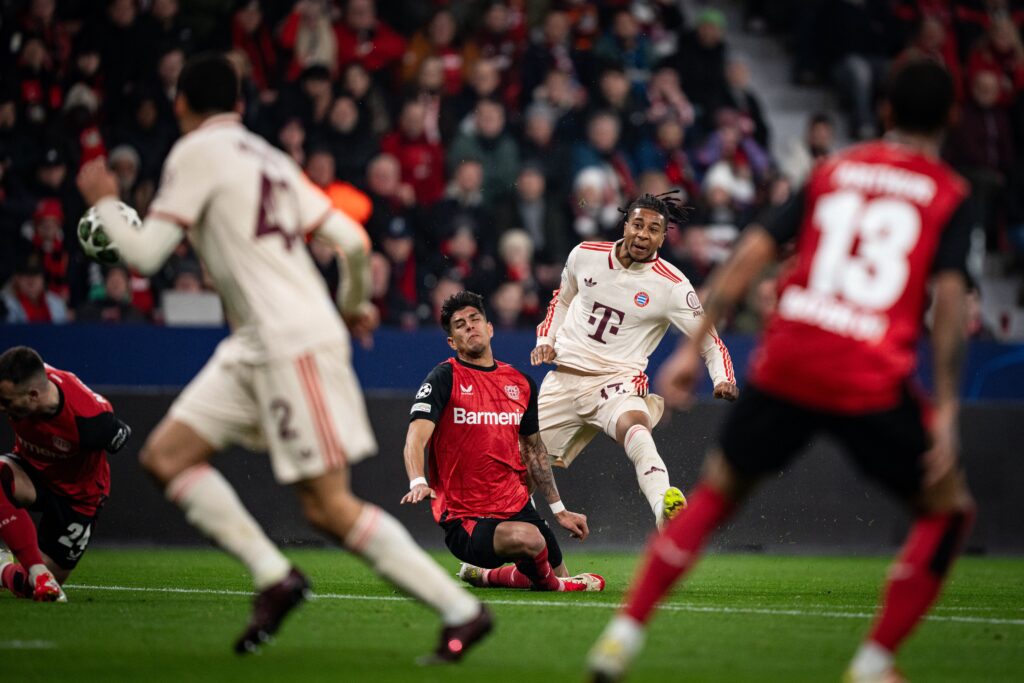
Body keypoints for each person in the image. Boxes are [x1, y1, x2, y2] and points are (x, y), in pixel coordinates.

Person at [76, 53, 491, 662]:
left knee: (327, 506)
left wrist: (106, 202)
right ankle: (275, 576)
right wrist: (352, 305)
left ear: (182, 106)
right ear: (241, 105)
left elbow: (142, 256)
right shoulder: (270, 157)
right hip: (256, 341)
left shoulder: (194, 152)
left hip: (288, 339)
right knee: (166, 457)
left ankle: (463, 611)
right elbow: (351, 240)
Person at [586, 61, 976, 683]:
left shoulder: (833, 170)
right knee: (948, 509)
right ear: (953, 118)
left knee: (714, 497)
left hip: (790, 357)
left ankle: (620, 637)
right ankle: (874, 664)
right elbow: (952, 303)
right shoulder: (951, 193)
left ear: (884, 112)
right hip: (868, 372)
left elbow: (752, 253)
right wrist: (950, 409)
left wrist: (688, 353)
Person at [532, 193, 738, 529]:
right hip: (565, 379)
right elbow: (562, 300)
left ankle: (664, 509)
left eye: (653, 229)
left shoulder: (672, 286)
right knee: (523, 466)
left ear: (663, 236)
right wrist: (546, 339)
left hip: (617, 382)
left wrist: (721, 378)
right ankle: (486, 550)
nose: (643, 235)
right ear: (625, 224)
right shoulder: (584, 255)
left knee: (636, 429)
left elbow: (710, 340)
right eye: (637, 225)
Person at [400, 291, 603, 592]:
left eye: (475, 319)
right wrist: (417, 480)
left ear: (490, 327)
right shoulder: (444, 378)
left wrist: (559, 510)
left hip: (516, 507)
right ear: (452, 342)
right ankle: (556, 585)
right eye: (459, 325)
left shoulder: (520, 383)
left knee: (549, 561)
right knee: (532, 543)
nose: (470, 326)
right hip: (466, 517)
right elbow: (415, 437)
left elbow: (534, 450)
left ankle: (483, 576)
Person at [0, 346, 131, 602]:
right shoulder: (30, 381)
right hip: (32, 473)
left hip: (78, 498)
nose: (2, 408)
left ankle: (3, 570)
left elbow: (119, 434)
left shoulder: (90, 421)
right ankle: (38, 572)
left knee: (30, 590)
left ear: (34, 395)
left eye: (7, 402)